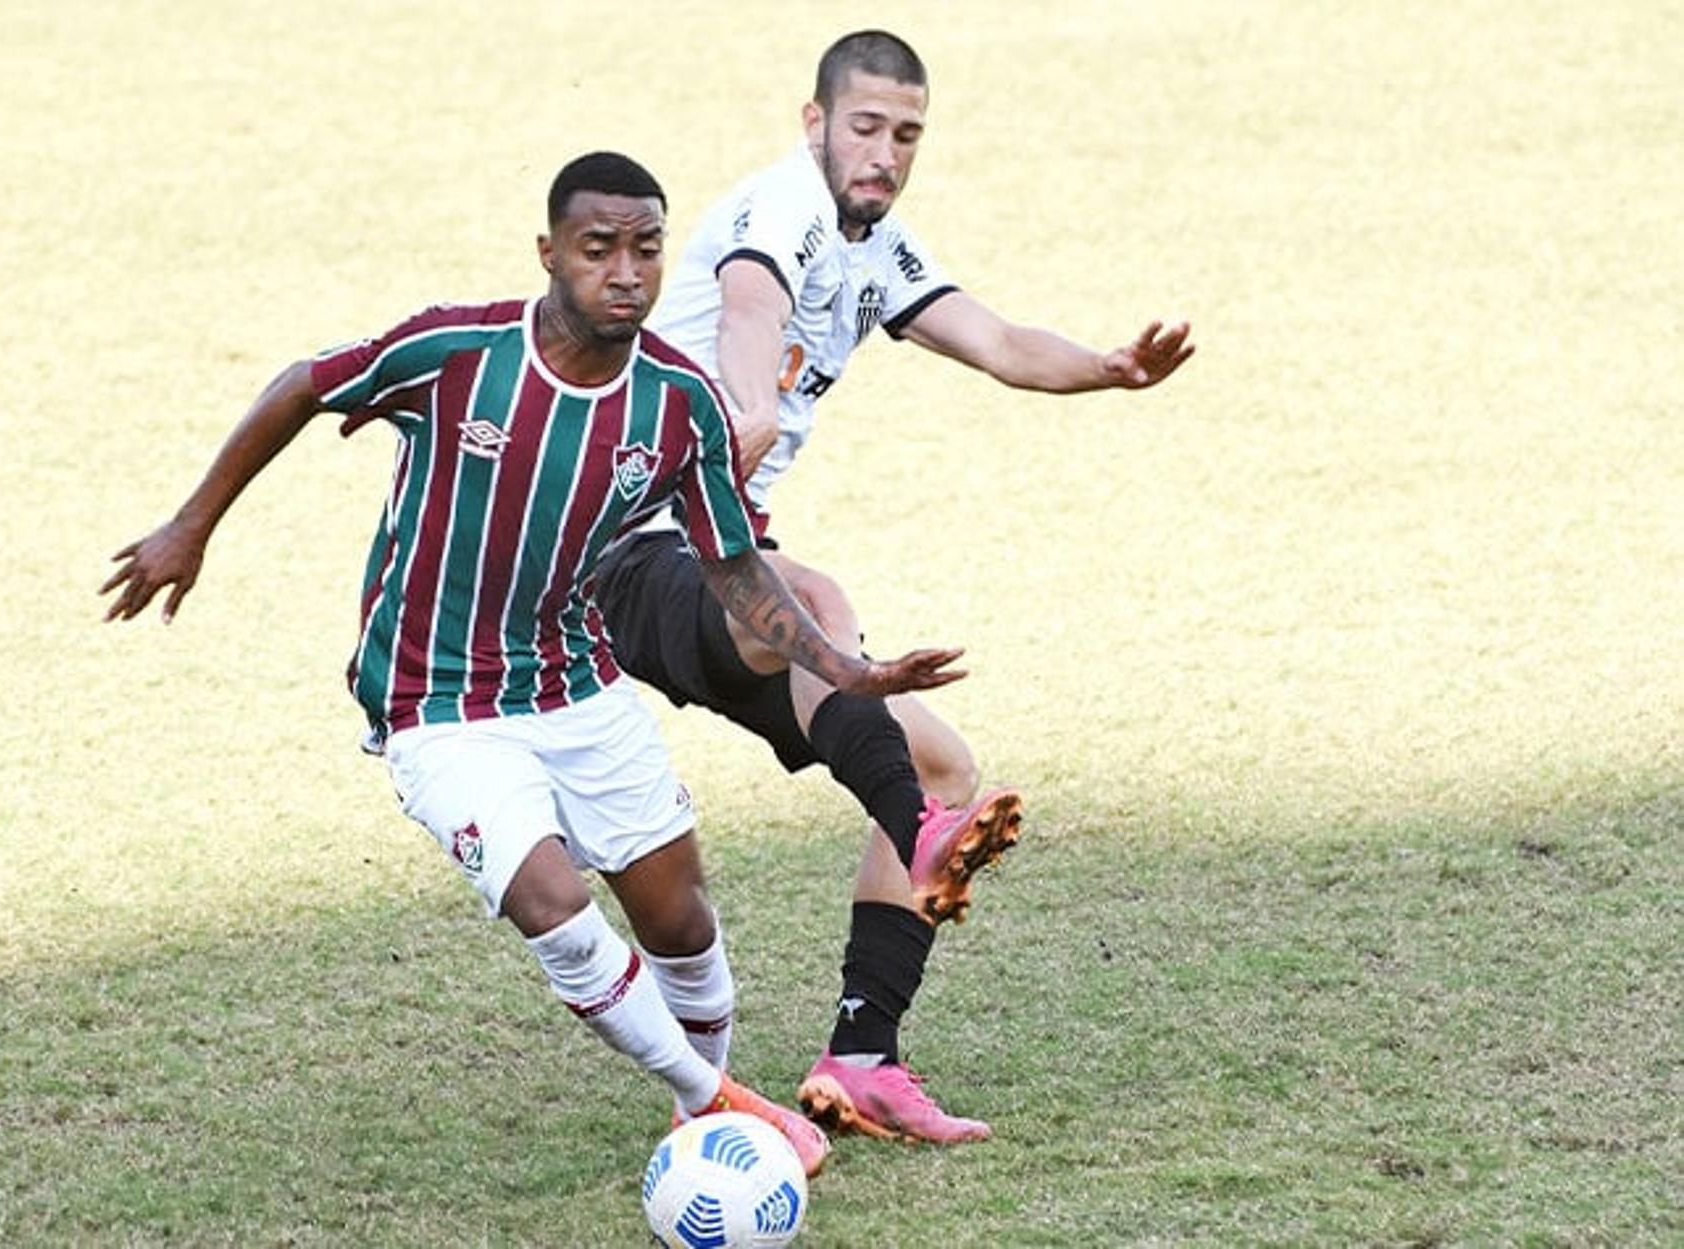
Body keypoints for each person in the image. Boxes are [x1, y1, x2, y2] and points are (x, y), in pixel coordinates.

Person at [99, 151, 972, 1178]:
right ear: (550, 252)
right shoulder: (456, 352)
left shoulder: (677, 401)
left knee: (679, 917)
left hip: (576, 683)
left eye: (646, 248)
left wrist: (844, 668)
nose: (627, 272)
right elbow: (305, 383)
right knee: (552, 901)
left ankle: (708, 1119)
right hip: (436, 700)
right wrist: (189, 526)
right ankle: (718, 1100)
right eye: (599, 249)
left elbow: (734, 568)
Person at [593, 32, 1195, 1144]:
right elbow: (748, 314)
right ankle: (909, 826)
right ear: (814, 121)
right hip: (627, 548)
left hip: (719, 555)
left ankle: (863, 1055)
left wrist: (1108, 370)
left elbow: (1003, 342)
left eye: (905, 133)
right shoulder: (779, 214)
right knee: (817, 602)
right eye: (863, 126)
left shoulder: (881, 252)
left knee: (944, 763)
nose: (883, 152)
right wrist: (747, 411)